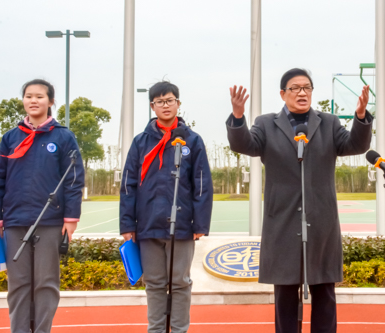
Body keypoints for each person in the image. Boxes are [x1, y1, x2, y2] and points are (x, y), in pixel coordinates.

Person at [226, 68, 372, 333]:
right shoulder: (266, 124)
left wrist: (360, 117)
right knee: (284, 296)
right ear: (283, 94)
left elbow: (355, 146)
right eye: (295, 88)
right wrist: (238, 117)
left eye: (307, 87)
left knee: (324, 293)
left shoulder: (328, 123)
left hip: (321, 222)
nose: (302, 92)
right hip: (282, 220)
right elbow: (244, 144)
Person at [0, 79, 85, 333]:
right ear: (23, 101)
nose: (33, 100)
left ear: (51, 102)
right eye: (29, 96)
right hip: (15, 221)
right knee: (18, 284)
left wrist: (71, 217)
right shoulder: (10, 138)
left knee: (46, 283)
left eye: (40, 96)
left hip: (50, 222)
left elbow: (74, 180)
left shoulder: (63, 137)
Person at [120, 81, 213, 333]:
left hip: (182, 226)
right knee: (155, 283)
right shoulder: (140, 142)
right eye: (160, 101)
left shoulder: (192, 141)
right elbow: (128, 185)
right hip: (148, 225)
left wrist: (200, 223)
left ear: (178, 104)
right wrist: (128, 225)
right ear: (152, 106)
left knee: (180, 282)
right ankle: (157, 329)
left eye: (170, 100)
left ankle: (180, 329)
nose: (165, 105)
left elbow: (202, 185)